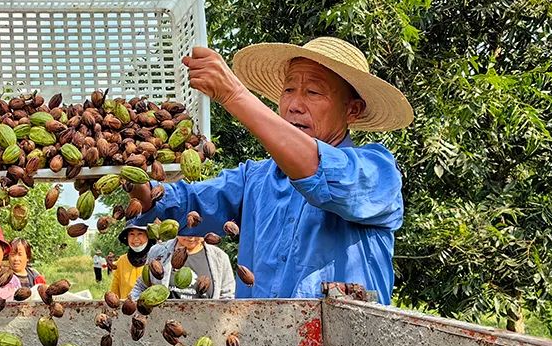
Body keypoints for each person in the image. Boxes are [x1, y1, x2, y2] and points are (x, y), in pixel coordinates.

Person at [130, 38, 413, 303]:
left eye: (313, 92)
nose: (294, 105)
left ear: (353, 110)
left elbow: (316, 171)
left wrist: (234, 94)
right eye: (289, 90)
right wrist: (131, 174)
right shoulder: (255, 178)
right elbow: (184, 203)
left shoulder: (378, 171)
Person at [129, 235, 234, 300]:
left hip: (205, 327)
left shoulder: (220, 258)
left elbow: (226, 298)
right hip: (162, 328)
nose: (191, 237)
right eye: (186, 231)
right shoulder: (158, 252)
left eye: (197, 231)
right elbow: (141, 287)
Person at [109, 225, 155, 300]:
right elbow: (114, 292)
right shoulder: (121, 261)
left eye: (140, 233)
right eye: (131, 234)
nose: (135, 238)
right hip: (126, 310)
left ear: (148, 236)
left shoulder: (156, 260)